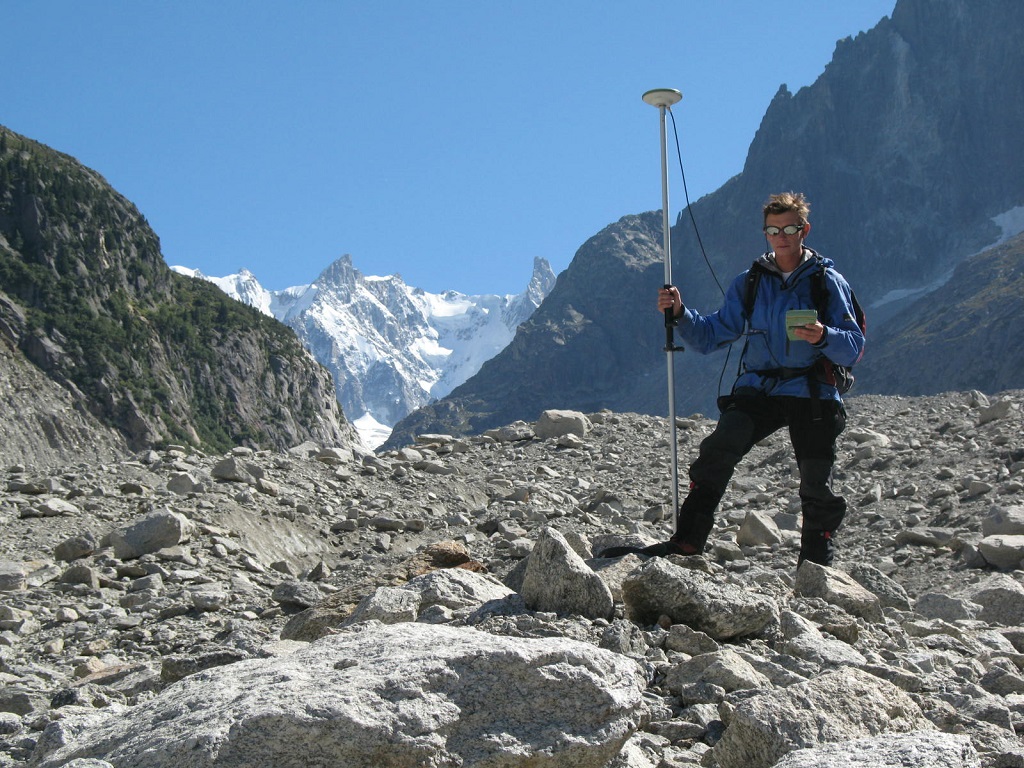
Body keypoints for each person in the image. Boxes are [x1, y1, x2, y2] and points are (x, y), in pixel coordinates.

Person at [634, 192, 864, 566]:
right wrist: (680, 313)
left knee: (815, 479)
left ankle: (816, 568)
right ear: (765, 233)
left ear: (804, 230)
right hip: (760, 388)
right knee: (716, 452)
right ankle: (688, 542)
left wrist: (823, 335)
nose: (781, 236)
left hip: (813, 389)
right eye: (773, 230)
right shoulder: (751, 281)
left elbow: (853, 347)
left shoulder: (827, 281)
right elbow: (713, 334)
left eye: (789, 228)